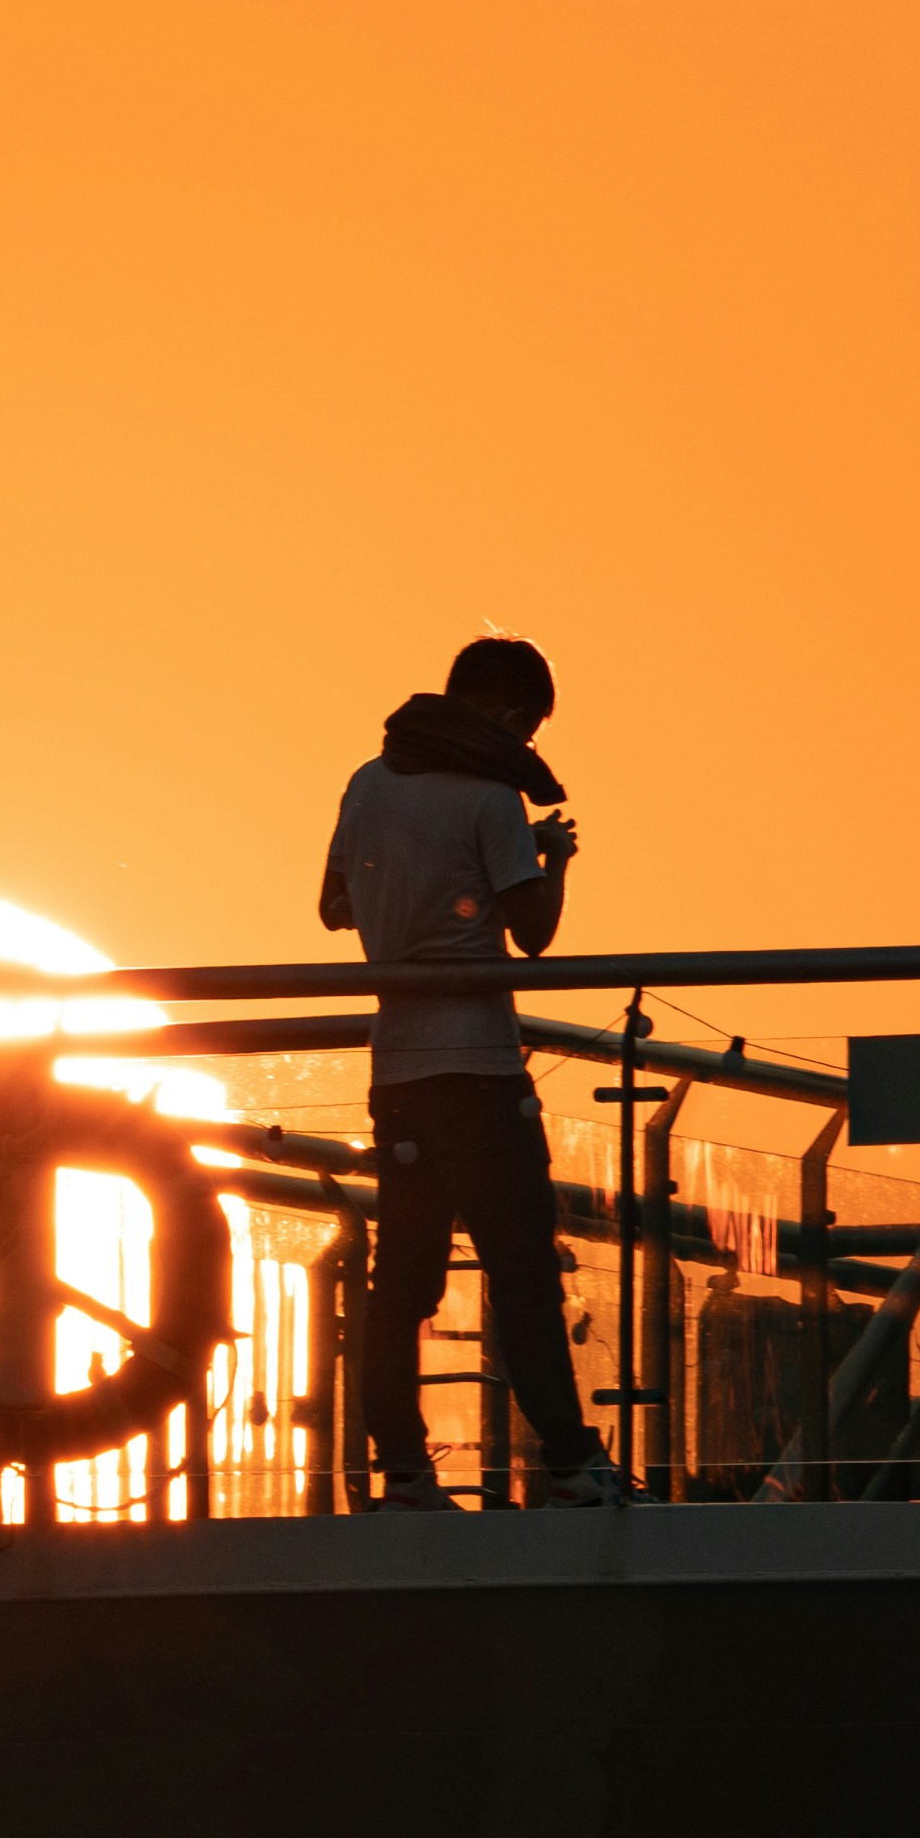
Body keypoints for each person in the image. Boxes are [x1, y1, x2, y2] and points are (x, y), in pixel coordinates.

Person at [317, 634, 622, 1507]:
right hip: (482, 1071)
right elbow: (533, 932)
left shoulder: (366, 784)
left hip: (399, 1074)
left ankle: (403, 1468)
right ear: (499, 711)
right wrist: (545, 858)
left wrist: (411, 891)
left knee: (402, 1276)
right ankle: (566, 1460)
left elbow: (335, 906)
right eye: (526, 724)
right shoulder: (492, 801)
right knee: (521, 1267)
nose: (528, 742)